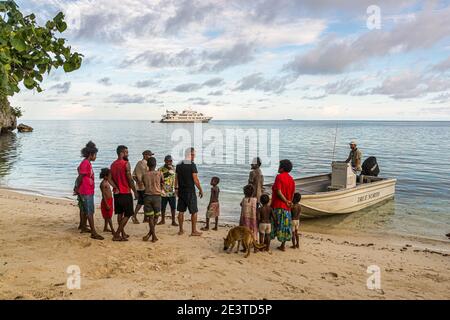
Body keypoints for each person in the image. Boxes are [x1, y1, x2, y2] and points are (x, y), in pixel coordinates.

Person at [73, 141, 104, 240]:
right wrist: (76, 188)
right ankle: (93, 232)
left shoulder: (87, 163)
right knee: (89, 211)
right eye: (95, 155)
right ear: (91, 154)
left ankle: (83, 226)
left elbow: (80, 173)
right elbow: (80, 177)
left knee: (84, 209)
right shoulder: (85, 163)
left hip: (87, 190)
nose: (96, 157)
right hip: (86, 191)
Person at [110, 145, 137, 241]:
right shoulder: (126, 163)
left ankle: (122, 233)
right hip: (125, 192)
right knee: (128, 214)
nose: (127, 154)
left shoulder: (112, 164)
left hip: (117, 193)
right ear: (121, 153)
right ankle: (117, 234)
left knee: (120, 214)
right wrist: (135, 191)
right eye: (126, 152)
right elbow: (130, 179)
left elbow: (110, 179)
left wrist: (115, 187)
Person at [175, 147, 203, 236]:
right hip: (190, 191)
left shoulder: (179, 164)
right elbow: (195, 179)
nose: (194, 156)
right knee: (194, 211)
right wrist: (200, 189)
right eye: (193, 154)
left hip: (181, 191)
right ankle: (193, 231)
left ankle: (180, 230)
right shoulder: (192, 164)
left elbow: (176, 178)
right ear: (189, 154)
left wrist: (176, 189)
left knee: (181, 211)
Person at [271, 159, 295, 252]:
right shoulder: (292, 180)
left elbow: (278, 191)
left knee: (273, 224)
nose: (278, 167)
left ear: (282, 168)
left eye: (279, 165)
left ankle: (266, 244)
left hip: (278, 205)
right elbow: (292, 194)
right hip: (287, 208)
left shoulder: (279, 177)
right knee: (285, 226)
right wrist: (289, 202)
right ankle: (282, 246)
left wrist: (285, 201)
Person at [142, 157, 164, 242]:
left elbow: (144, 184)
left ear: (147, 165)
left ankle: (151, 234)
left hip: (147, 196)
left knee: (150, 217)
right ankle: (153, 235)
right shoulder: (159, 173)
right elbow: (162, 184)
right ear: (155, 164)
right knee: (156, 216)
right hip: (157, 196)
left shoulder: (145, 175)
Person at [132, 150, 154, 224]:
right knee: (144, 203)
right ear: (145, 155)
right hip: (144, 187)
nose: (151, 157)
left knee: (142, 202)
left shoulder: (139, 163)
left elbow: (133, 175)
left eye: (151, 155)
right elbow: (147, 175)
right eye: (149, 155)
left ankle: (142, 217)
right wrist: (140, 182)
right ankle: (136, 216)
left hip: (140, 187)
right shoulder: (144, 164)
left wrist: (138, 182)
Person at [158, 155, 178, 226]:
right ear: (165, 161)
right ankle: (162, 220)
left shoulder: (175, 168)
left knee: (173, 207)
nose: (169, 162)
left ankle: (173, 221)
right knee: (163, 207)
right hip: (163, 191)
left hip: (172, 191)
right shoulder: (160, 169)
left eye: (171, 161)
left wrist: (177, 189)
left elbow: (177, 179)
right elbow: (158, 179)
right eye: (168, 161)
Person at [100, 168, 115, 234]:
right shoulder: (103, 184)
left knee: (107, 215)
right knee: (108, 216)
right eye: (109, 175)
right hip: (106, 201)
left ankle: (105, 227)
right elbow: (103, 194)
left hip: (110, 200)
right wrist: (106, 204)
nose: (110, 176)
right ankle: (112, 229)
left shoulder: (107, 182)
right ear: (105, 176)